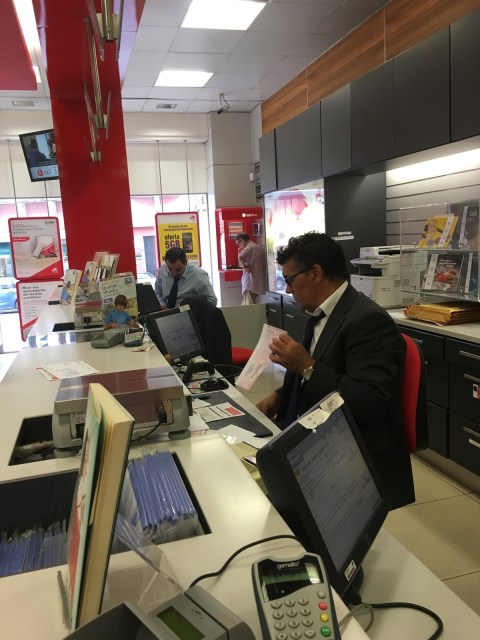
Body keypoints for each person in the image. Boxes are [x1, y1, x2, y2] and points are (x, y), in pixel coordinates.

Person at [256, 232, 415, 510]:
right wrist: (281, 396)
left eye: (290, 280)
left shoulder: (367, 320)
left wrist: (306, 366)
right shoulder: (320, 314)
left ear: (316, 273)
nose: (289, 290)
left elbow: (371, 402)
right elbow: (326, 370)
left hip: (348, 453)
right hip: (313, 433)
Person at [236, 233, 266, 304]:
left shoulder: (249, 247)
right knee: (249, 304)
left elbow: (240, 257)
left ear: (241, 240)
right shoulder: (258, 247)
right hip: (257, 281)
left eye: (238, 244)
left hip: (249, 282)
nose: (239, 246)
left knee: (249, 306)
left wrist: (244, 267)